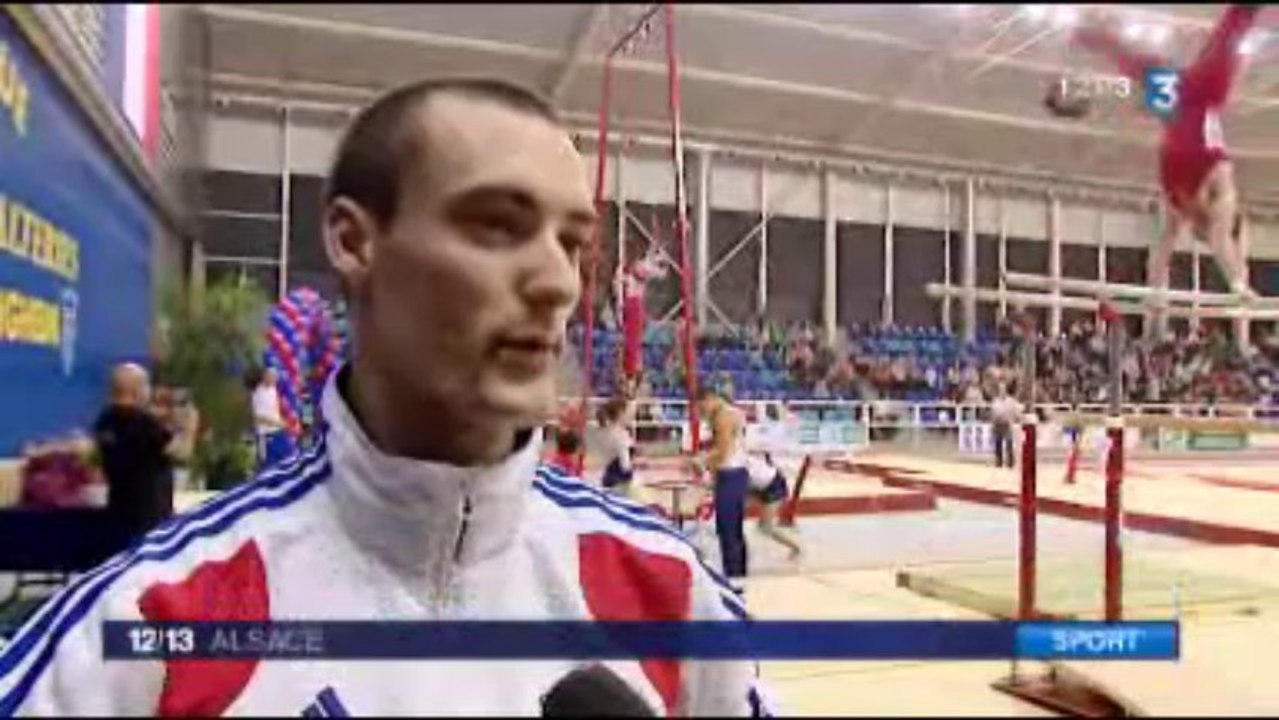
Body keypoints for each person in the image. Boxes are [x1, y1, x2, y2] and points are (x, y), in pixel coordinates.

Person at [2, 78, 769, 716]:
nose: (557, 282)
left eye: (573, 244)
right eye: (498, 226)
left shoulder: (672, 593)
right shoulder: (148, 624)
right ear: (353, 241)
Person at [1074, 5, 1264, 320]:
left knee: (1225, 39)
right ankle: (1095, 35)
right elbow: (1166, 250)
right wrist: (1155, 291)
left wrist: (1239, 284)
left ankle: (1095, 35)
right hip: (1176, 139)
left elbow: (1216, 241)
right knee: (1141, 64)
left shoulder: (1211, 202)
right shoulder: (1181, 208)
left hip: (1197, 109)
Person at [90, 363, 194, 544]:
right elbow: (182, 453)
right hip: (150, 518)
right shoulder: (145, 423)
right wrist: (189, 428)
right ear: (136, 389)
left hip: (118, 514)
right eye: (147, 385)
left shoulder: (104, 422)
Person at [694, 386, 751, 592]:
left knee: (728, 528)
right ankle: (738, 575)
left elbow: (724, 451)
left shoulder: (722, 416)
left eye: (702, 408)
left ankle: (734, 578)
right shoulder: (730, 411)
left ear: (710, 399)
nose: (702, 413)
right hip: (736, 474)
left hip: (731, 474)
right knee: (733, 528)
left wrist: (703, 463)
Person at [617, 248, 665, 388]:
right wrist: (657, 263)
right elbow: (648, 273)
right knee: (631, 341)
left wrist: (657, 261)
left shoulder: (640, 266)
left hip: (633, 303)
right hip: (630, 303)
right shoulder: (637, 267)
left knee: (633, 341)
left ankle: (632, 372)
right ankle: (631, 372)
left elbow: (657, 274)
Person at [247, 365, 294, 471]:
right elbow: (258, 417)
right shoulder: (258, 394)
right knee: (270, 468)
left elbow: (275, 407)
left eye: (276, 377)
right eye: (273, 376)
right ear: (265, 376)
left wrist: (280, 420)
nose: (275, 379)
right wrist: (277, 423)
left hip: (279, 432)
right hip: (267, 436)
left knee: (289, 459)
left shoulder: (273, 388)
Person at [596, 396, 636, 497]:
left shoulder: (605, 432)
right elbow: (625, 467)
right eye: (629, 414)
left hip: (607, 481)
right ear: (621, 414)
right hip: (620, 485)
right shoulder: (621, 435)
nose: (631, 417)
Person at [990, 384, 1022, 469]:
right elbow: (993, 414)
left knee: (1009, 444)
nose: (1002, 391)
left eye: (1003, 389)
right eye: (1000, 389)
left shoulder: (1011, 401)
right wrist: (992, 425)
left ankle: (1010, 463)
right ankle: (998, 462)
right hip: (998, 424)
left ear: (1006, 390)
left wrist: (1017, 418)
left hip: (1007, 424)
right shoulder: (995, 401)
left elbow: (1017, 410)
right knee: (998, 444)